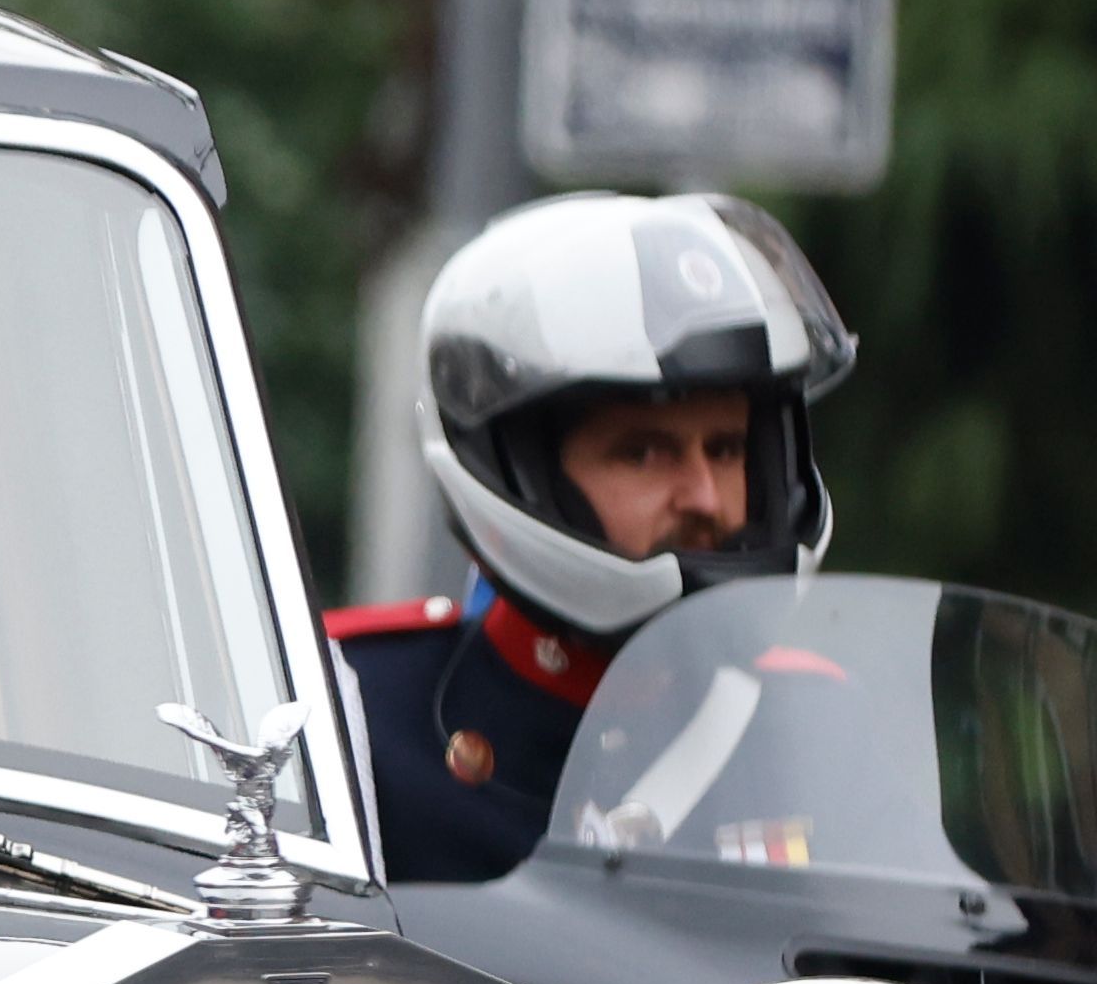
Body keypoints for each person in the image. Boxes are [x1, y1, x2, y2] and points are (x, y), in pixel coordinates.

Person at [333, 191, 859, 879]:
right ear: (515, 474)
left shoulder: (822, 725)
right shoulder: (358, 714)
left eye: (727, 450)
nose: (705, 497)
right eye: (644, 453)